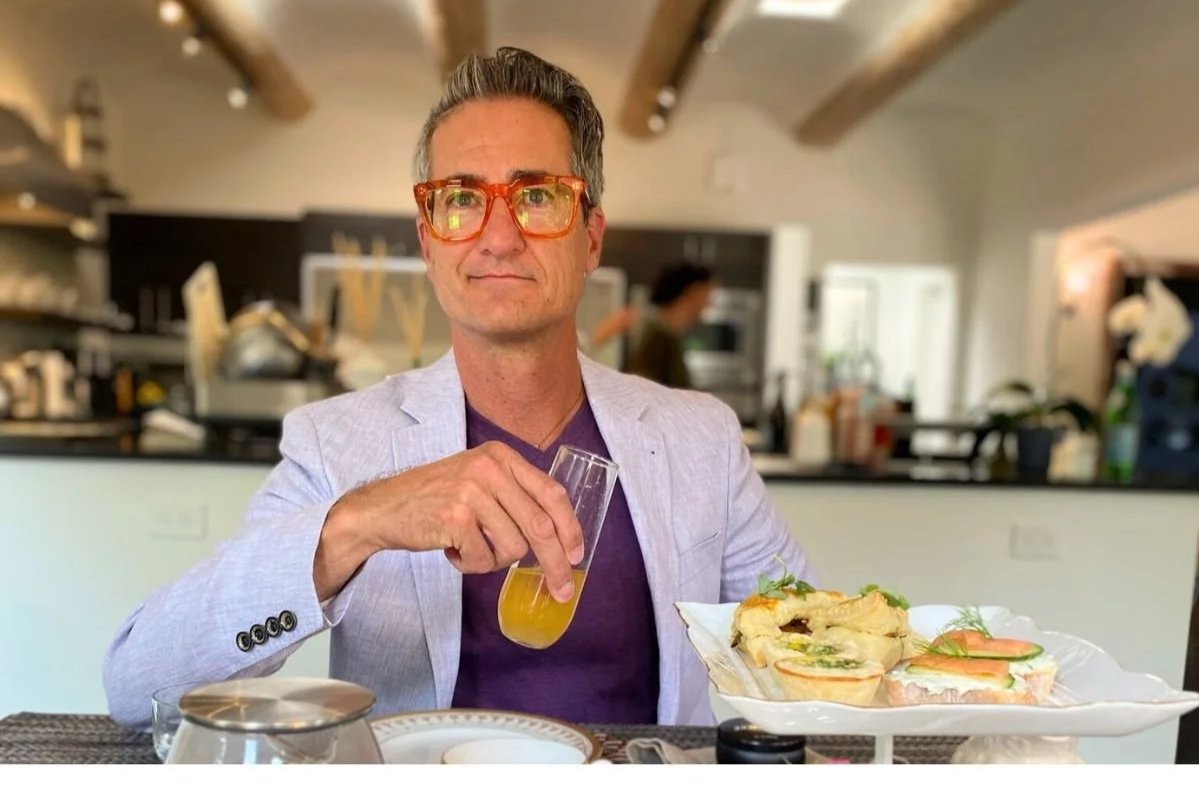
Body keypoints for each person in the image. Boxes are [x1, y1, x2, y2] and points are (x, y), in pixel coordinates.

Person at [102, 47, 813, 729]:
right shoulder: (337, 444)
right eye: (461, 199)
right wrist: (358, 523)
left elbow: (811, 644)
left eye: (537, 196)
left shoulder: (700, 437)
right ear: (428, 241)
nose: (498, 238)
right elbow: (139, 685)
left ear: (591, 238)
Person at [627, 262, 715, 388]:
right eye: (707, 294)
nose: (708, 303)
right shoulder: (659, 336)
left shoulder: (665, 333)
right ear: (693, 291)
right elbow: (644, 388)